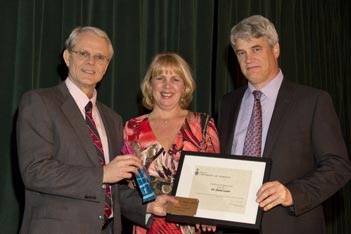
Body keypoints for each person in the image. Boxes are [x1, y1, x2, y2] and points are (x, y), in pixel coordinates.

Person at [16, 26, 177, 234]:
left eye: (100, 57)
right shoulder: (39, 102)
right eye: (83, 53)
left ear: (106, 65)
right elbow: (35, 171)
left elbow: (112, 186)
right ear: (67, 57)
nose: (91, 62)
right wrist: (102, 173)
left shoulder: (112, 119)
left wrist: (147, 207)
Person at [217, 15, 351, 234]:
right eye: (242, 53)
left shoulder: (313, 101)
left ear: (276, 49)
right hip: (233, 226)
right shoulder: (227, 103)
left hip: (290, 226)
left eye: (256, 49)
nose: (249, 59)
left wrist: (292, 194)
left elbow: (338, 166)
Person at [122, 52, 220, 234]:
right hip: (148, 225)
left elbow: (215, 177)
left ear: (185, 86)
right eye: (160, 78)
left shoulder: (203, 124)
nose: (167, 86)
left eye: (175, 79)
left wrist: (210, 212)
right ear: (150, 84)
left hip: (194, 225)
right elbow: (127, 187)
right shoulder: (132, 128)